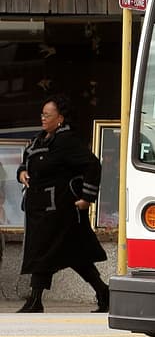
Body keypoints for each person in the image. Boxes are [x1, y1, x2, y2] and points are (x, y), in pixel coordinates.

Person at [15, 95, 110, 313]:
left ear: (60, 118)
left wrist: (87, 198)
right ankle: (104, 292)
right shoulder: (38, 139)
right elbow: (25, 163)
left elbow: (93, 165)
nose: (43, 118)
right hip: (39, 210)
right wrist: (22, 173)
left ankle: (35, 299)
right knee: (75, 256)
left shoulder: (67, 141)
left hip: (61, 211)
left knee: (43, 252)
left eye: (47, 115)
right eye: (42, 114)